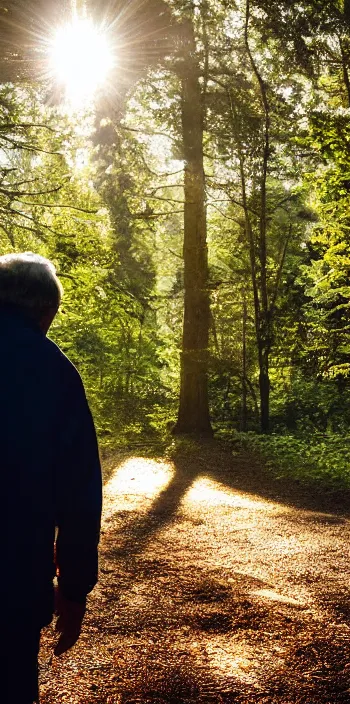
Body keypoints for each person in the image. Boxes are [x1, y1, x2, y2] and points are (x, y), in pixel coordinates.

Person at [2, 252, 103, 704]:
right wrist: (74, 589)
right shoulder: (53, 371)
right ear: (46, 311)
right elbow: (79, 492)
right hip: (14, 582)